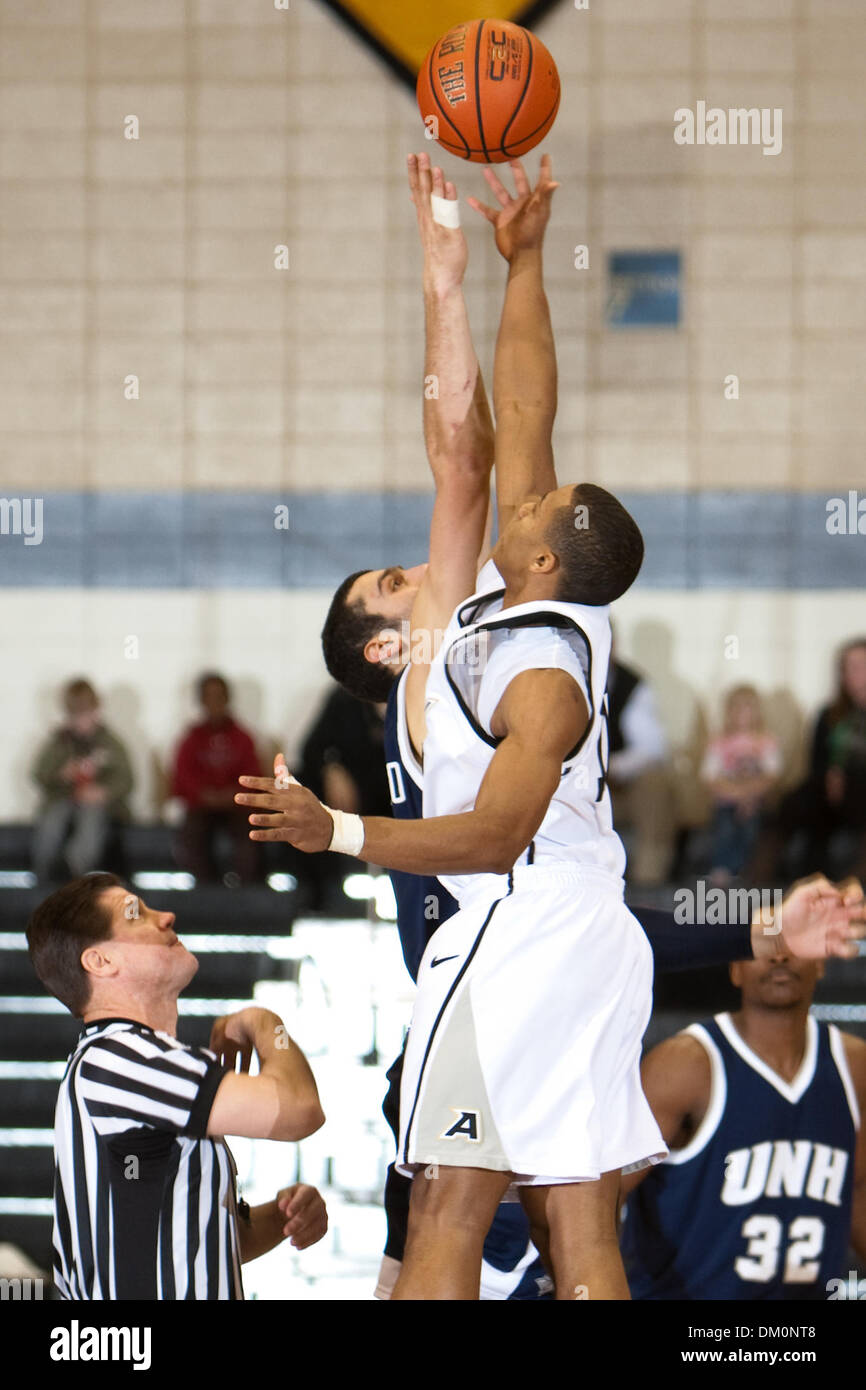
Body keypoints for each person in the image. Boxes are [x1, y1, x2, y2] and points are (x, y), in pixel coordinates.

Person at [26, 872, 326, 1300]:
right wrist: (267, 1024)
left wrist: (283, 1218)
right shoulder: (122, 1056)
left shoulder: (120, 1058)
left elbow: (202, 1240)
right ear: (100, 962)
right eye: (137, 915)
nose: (166, 917)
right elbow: (299, 1109)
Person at [619, 945, 866, 1299]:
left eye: (795, 944)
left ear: (821, 963)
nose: (779, 957)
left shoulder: (854, 1067)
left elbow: (857, 1193)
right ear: (735, 969)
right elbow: (604, 1194)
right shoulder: (685, 1064)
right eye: (765, 946)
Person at [750, 639, 866, 885]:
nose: (859, 674)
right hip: (828, 792)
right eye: (852, 667)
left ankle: (849, 889)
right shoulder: (829, 714)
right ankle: (753, 889)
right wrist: (831, 778)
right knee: (791, 803)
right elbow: (816, 762)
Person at [31, 678, 134, 883]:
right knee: (52, 821)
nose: (82, 721)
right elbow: (39, 774)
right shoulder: (59, 742)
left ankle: (75, 869)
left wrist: (104, 792)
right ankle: (45, 869)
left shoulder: (110, 742)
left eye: (87, 714)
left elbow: (127, 780)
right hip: (64, 800)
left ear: (97, 711)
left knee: (91, 819)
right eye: (76, 715)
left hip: (98, 804)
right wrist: (61, 774)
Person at [171, 672, 262, 884]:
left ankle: (245, 893)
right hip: (201, 806)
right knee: (191, 837)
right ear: (201, 701)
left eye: (219, 696)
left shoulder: (243, 737)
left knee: (250, 838)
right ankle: (206, 890)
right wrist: (204, 795)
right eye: (209, 697)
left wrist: (233, 795)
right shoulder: (191, 739)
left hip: (237, 806)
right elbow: (182, 776)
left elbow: (253, 774)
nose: (215, 702)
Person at [700, 684, 782, 883]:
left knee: (751, 830)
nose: (742, 714)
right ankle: (723, 867)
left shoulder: (765, 741)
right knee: (725, 829)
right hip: (726, 800)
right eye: (736, 708)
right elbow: (709, 775)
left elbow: (772, 775)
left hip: (756, 802)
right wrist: (735, 794)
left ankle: (746, 867)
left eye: (748, 707)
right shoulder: (720, 742)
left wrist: (749, 796)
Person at [606, 650, 674, 887]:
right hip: (566, 777)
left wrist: (609, 766)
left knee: (654, 783)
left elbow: (652, 748)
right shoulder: (554, 675)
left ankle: (648, 883)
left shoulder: (631, 685)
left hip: (614, 779)